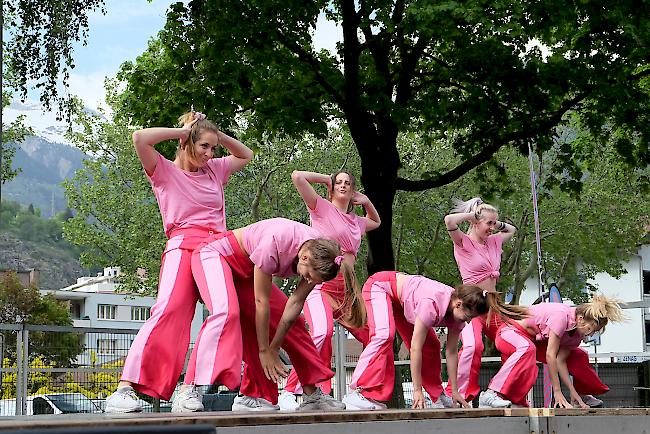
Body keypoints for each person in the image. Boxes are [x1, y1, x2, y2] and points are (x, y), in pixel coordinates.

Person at [105, 111, 253, 413]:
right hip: (183, 245)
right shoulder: (164, 171)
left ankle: (191, 390)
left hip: (217, 249)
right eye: (204, 147)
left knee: (233, 312)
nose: (210, 154)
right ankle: (125, 388)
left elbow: (246, 154)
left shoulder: (215, 170)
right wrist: (183, 130)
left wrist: (213, 133)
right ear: (186, 143)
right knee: (169, 310)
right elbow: (140, 138)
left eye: (214, 149)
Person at [191, 217, 365, 411]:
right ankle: (189, 387)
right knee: (228, 314)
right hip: (215, 256)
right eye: (307, 276)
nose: (306, 279)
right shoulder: (274, 243)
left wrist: (274, 348)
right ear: (304, 258)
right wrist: (265, 350)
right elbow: (261, 302)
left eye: (310, 279)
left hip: (247, 273)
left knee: (296, 325)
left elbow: (295, 303)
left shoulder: (320, 254)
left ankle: (308, 397)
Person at [280, 170, 381, 410]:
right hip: (320, 282)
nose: (343, 185)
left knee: (375, 335)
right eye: (339, 182)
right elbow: (297, 177)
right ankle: (289, 391)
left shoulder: (357, 222)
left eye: (348, 183)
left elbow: (376, 222)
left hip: (345, 288)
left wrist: (366, 202)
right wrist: (326, 178)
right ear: (333, 187)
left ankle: (360, 392)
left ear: (354, 189)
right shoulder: (321, 207)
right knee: (322, 333)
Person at [341, 271, 489, 410]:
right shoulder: (431, 303)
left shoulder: (458, 313)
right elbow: (415, 348)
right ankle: (357, 391)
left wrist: (455, 391)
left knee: (431, 345)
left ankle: (438, 396)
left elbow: (451, 352)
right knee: (384, 335)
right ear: (458, 304)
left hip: (402, 301)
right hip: (381, 286)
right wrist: (417, 390)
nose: (468, 322)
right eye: (468, 318)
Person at [442, 197, 528, 408]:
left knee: (516, 344)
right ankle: (456, 394)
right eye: (488, 223)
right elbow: (449, 220)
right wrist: (472, 216)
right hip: (472, 304)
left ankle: (503, 393)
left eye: (494, 223)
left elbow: (512, 230)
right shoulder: (463, 242)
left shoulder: (494, 241)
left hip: (493, 304)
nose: (492, 228)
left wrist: (494, 222)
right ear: (474, 222)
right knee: (473, 346)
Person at [486, 295, 624, 408]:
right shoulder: (561, 316)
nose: (591, 334)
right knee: (527, 349)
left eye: (594, 331)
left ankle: (581, 395)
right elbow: (550, 355)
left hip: (533, 340)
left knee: (579, 355)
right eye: (590, 329)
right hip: (509, 332)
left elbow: (560, 361)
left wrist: (573, 392)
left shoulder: (577, 334)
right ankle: (491, 393)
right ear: (580, 319)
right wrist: (557, 392)